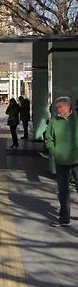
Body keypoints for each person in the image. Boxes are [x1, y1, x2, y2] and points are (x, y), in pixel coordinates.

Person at [45, 96, 78, 227]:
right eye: (57, 107)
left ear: (69, 106)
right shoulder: (54, 121)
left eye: (61, 107)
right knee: (63, 191)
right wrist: (54, 152)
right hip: (60, 161)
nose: (58, 110)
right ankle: (64, 218)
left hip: (77, 160)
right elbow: (48, 138)